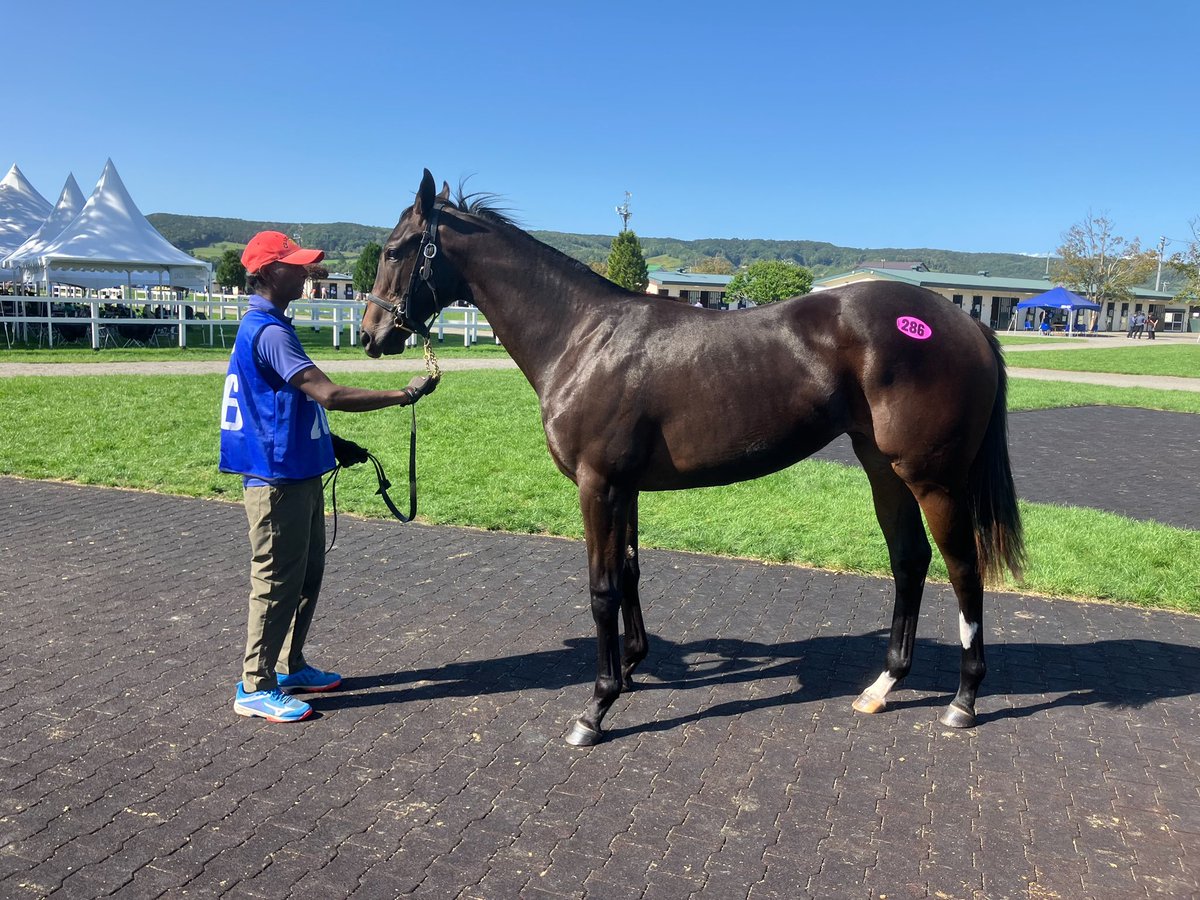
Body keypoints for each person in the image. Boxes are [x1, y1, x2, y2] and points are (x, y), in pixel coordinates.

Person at [219, 231, 438, 722]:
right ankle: (255, 686)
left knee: (305, 576)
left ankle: (289, 665)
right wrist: (404, 395)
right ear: (268, 273)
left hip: (297, 468)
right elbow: (328, 395)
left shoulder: (271, 325)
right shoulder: (269, 331)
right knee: (275, 581)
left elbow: (280, 403)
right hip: (277, 478)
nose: (305, 272)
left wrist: (333, 444)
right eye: (294, 265)